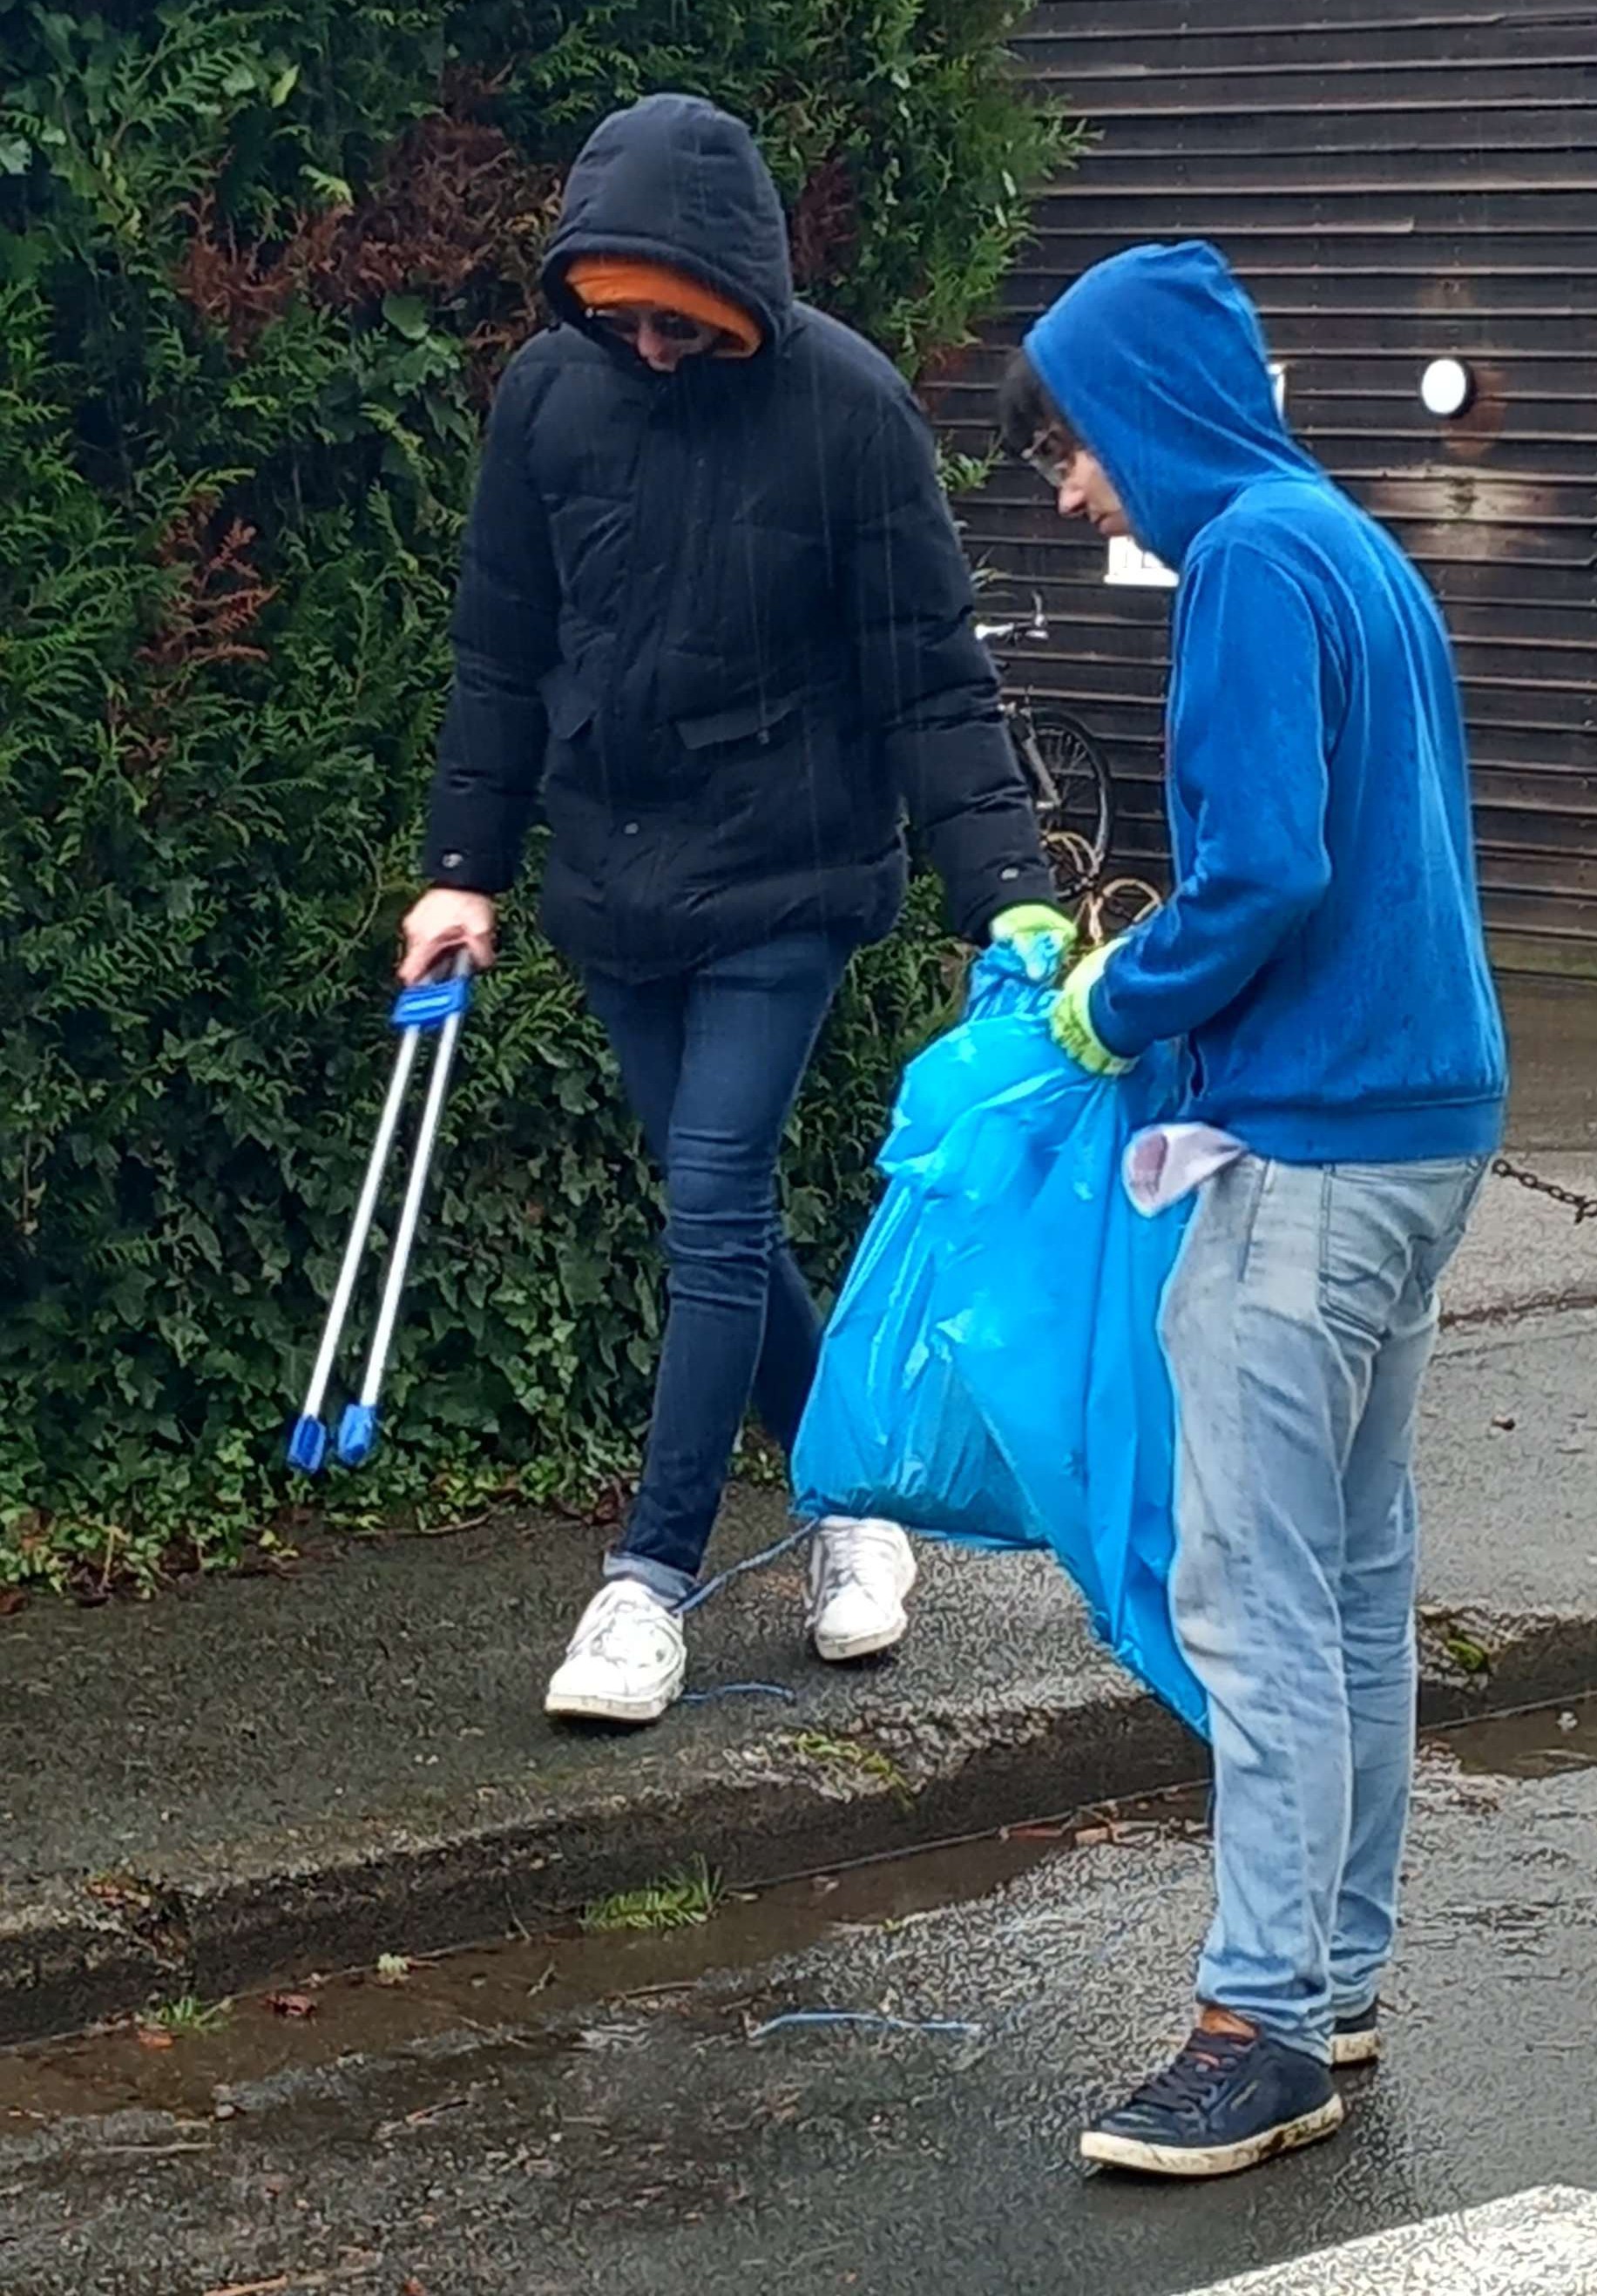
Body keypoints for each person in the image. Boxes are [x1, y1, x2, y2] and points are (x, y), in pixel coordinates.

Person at [401, 93, 1070, 1726]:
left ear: (739, 301)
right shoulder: (544, 400)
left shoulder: (848, 409)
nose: (643, 348)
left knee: (709, 1199)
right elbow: (501, 656)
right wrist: (463, 872)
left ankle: (647, 1581)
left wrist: (1010, 899)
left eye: (677, 327)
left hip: (789, 875)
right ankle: (857, 1507)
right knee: (725, 1231)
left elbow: (931, 679)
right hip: (616, 878)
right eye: (615, 317)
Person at [998, 242, 1506, 2178]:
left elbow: (1262, 872)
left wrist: (1107, 994)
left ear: (1139, 407)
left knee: (1253, 1589)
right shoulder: (1347, 545)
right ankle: (1336, 1970)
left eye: (1069, 448)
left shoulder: (1240, 568)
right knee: (1353, 1572)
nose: (1070, 492)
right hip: (1425, 1114)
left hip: (1306, 1135)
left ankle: (1259, 2026)